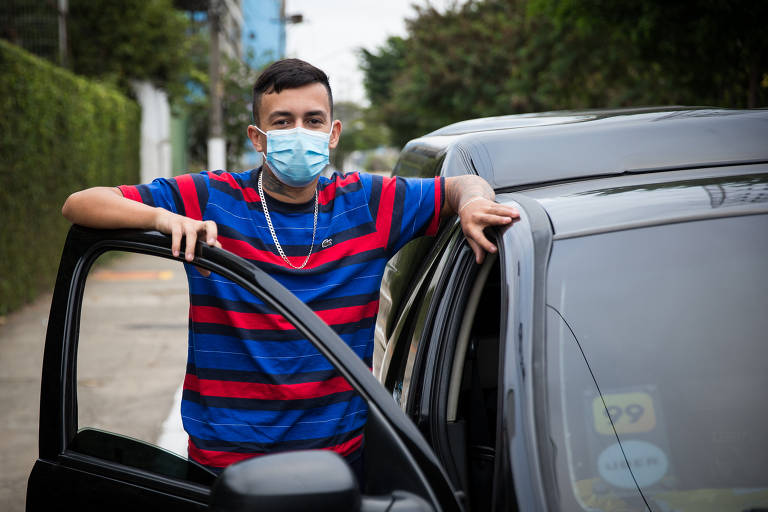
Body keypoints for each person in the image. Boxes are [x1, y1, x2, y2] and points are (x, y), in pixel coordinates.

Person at [62, 58, 519, 476]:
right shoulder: (209, 198)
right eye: (282, 122)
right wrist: (162, 218)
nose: (300, 132)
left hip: (337, 466)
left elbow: (462, 184)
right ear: (257, 138)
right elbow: (81, 204)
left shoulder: (369, 202)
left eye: (313, 120)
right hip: (224, 466)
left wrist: (473, 204)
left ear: (333, 133)